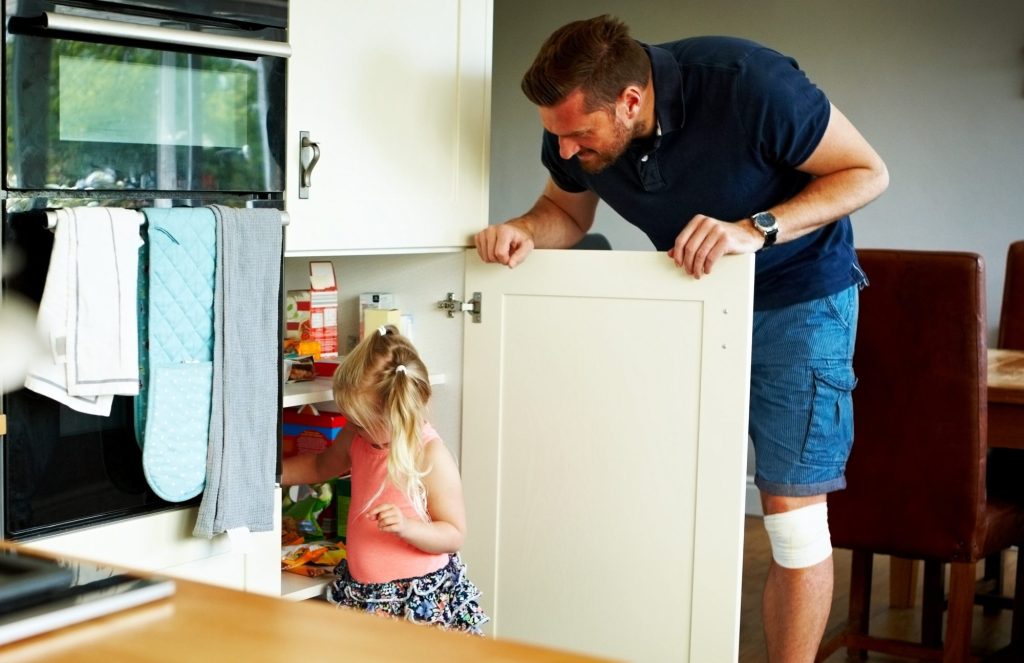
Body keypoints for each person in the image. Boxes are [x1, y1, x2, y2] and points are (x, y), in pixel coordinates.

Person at [474, 15, 889, 662]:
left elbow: (867, 172)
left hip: (801, 299)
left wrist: (757, 228)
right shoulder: (573, 133)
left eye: (578, 134)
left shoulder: (750, 84)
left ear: (632, 101)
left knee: (794, 522)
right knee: (664, 493)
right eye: (555, 136)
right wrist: (525, 230)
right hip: (692, 302)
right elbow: (564, 209)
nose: (564, 151)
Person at [282, 324, 489, 635]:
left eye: (362, 422)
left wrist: (407, 527)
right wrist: (267, 476)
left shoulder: (430, 455)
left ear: (400, 413)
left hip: (415, 598)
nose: (352, 427)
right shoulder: (359, 436)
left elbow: (453, 534)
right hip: (365, 594)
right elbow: (321, 465)